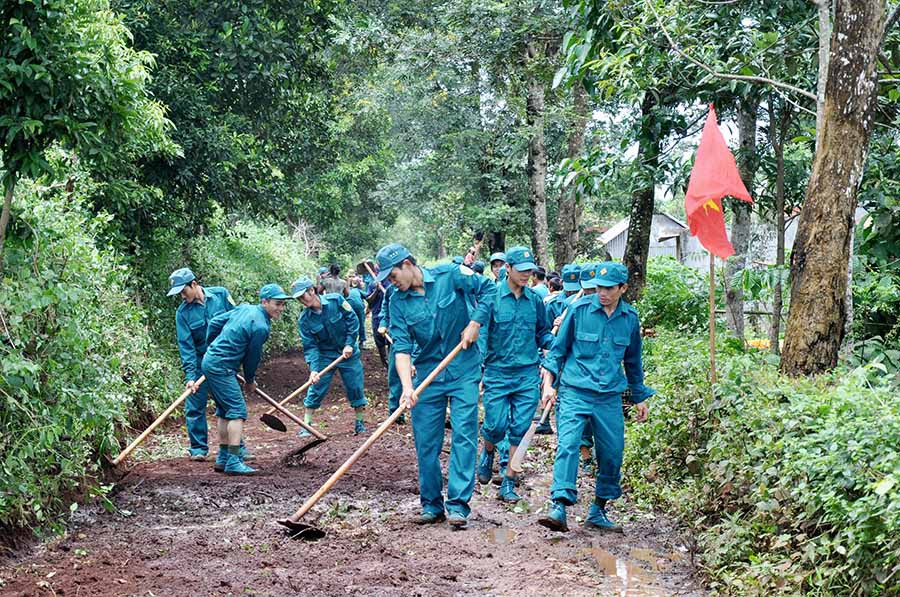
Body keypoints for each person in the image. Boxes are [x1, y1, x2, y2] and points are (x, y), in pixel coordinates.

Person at [378, 242, 496, 528]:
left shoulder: (450, 274)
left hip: (464, 368)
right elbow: (402, 348)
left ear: (407, 264)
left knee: (464, 435)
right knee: (426, 441)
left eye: (393, 275)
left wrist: (476, 322)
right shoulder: (397, 301)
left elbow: (489, 290)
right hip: (428, 372)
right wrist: (407, 387)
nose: (392, 283)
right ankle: (431, 504)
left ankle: (458, 505)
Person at [537, 263, 654, 532]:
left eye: (609, 288)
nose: (602, 293)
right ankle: (559, 506)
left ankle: (598, 510)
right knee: (568, 444)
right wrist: (548, 385)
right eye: (599, 287)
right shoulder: (578, 310)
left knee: (612, 452)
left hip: (608, 397)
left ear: (623, 288)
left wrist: (639, 397)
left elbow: (633, 361)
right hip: (575, 391)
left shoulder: (629, 319)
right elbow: (557, 352)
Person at [477, 247, 554, 502]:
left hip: (526, 373)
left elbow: (542, 333)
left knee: (520, 429)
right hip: (497, 372)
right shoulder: (492, 298)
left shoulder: (535, 301)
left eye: (529, 271)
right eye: (520, 270)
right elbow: (481, 335)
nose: (525, 275)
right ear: (507, 268)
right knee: (495, 425)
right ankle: (488, 450)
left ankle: (508, 481)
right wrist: (478, 369)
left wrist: (557, 344)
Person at [201, 283, 291, 475]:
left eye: (283, 304)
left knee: (225, 411)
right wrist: (250, 380)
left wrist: (212, 346)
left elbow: (215, 323)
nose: (281, 308)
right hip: (221, 366)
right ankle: (234, 461)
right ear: (264, 302)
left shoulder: (244, 308)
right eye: (277, 304)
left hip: (211, 361)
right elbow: (252, 357)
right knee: (237, 411)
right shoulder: (260, 327)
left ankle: (223, 458)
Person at [167, 267, 236, 461]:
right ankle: (198, 448)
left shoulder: (221, 295)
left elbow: (236, 322)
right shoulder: (182, 314)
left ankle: (236, 448)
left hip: (222, 361)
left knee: (229, 404)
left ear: (194, 284)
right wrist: (191, 377)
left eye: (183, 291)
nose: (182, 296)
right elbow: (186, 347)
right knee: (194, 406)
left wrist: (234, 356)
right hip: (199, 363)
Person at [291, 277, 368, 435]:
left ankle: (359, 422)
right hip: (325, 355)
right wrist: (314, 369)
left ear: (311, 291)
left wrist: (349, 343)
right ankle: (306, 425)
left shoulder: (336, 300)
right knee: (316, 386)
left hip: (348, 352)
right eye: (298, 298)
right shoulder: (304, 320)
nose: (301, 301)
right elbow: (310, 346)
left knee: (355, 386)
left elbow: (352, 320)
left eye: (302, 296)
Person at [345, 273, 367, 352]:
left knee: (349, 323)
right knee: (361, 323)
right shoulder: (357, 290)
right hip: (358, 306)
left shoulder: (347, 290)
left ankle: (350, 342)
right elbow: (367, 296)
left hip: (349, 306)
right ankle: (362, 341)